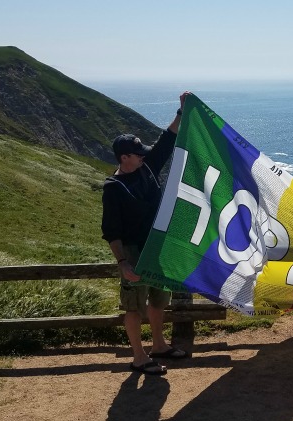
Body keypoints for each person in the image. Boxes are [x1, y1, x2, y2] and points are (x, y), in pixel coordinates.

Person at [102, 91, 190, 375]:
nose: (144, 156)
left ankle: (159, 345)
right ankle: (139, 357)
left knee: (158, 299)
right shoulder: (113, 188)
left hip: (157, 246)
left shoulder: (146, 165)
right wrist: (122, 262)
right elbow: (110, 230)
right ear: (124, 157)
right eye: (138, 154)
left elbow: (167, 139)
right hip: (134, 250)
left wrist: (181, 111)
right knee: (133, 307)